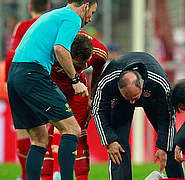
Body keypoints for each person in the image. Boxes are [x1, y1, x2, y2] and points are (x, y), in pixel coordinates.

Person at [6, 0, 98, 179]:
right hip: (33, 73)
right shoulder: (72, 18)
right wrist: (75, 80)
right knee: (72, 129)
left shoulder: (53, 15)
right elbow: (60, 49)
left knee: (39, 139)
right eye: (92, 12)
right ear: (85, 5)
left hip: (16, 76)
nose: (90, 18)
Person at [92, 52, 184, 180]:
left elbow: (168, 115)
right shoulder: (107, 81)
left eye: (135, 98)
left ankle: (178, 177)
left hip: (153, 100)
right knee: (118, 146)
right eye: (128, 98)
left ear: (141, 85)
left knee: (170, 142)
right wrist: (110, 140)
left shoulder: (158, 82)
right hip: (120, 104)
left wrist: (163, 146)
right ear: (118, 88)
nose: (132, 103)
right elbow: (97, 110)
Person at [42, 31, 108, 180]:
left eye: (87, 62)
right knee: (44, 136)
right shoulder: (49, 48)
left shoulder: (100, 53)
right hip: (50, 88)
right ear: (67, 55)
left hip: (78, 90)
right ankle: (47, 177)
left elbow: (97, 71)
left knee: (79, 134)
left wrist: (93, 95)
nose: (85, 66)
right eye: (80, 63)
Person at [4, 1, 50, 180]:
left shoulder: (21, 27)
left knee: (24, 131)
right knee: (49, 131)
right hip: (44, 81)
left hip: (20, 80)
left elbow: (12, 53)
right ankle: (49, 174)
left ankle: (25, 176)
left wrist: (8, 80)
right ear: (47, 7)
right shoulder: (49, 25)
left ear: (29, 8)